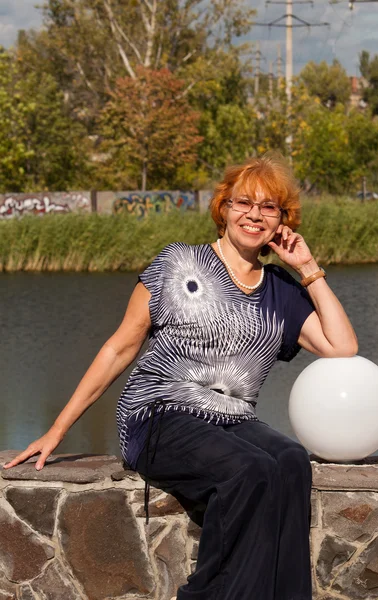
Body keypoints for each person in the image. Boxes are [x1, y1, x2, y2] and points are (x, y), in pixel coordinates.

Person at [4, 154, 358, 600]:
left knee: (288, 461)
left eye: (269, 207)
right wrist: (57, 429)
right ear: (224, 208)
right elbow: (120, 347)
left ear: (282, 221)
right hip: (159, 414)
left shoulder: (281, 291)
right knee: (248, 470)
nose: (254, 214)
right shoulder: (178, 264)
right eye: (244, 202)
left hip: (232, 421)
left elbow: (342, 347)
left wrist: (307, 269)